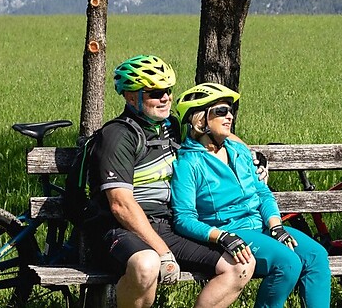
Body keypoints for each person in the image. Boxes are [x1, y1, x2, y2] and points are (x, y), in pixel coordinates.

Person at [86, 55, 253, 308]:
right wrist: (163, 252)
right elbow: (121, 206)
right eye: (155, 93)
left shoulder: (170, 126)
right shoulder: (117, 136)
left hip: (167, 225)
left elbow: (217, 133)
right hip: (120, 229)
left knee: (240, 264)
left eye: (168, 91)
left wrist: (251, 158)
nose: (164, 98)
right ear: (131, 97)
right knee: (147, 264)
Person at [170, 82, 332, 308]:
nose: (229, 117)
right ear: (200, 119)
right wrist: (221, 236)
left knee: (316, 256)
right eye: (221, 111)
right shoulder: (189, 163)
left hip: (260, 226)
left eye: (230, 111)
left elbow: (262, 192)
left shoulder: (238, 151)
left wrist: (276, 226)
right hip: (230, 231)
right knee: (287, 263)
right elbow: (183, 218)